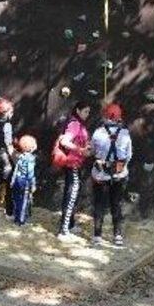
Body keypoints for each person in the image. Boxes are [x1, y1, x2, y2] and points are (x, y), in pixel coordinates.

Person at [90, 103, 132, 247]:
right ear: (119, 117)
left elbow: (94, 152)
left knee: (99, 204)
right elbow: (129, 155)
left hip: (100, 174)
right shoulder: (125, 134)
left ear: (105, 115)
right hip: (119, 174)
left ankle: (97, 236)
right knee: (117, 204)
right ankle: (117, 236)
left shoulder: (97, 132)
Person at [56, 101, 92, 240]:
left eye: (88, 112)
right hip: (72, 164)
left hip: (76, 163)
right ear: (78, 110)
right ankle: (63, 231)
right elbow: (65, 141)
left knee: (72, 194)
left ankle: (69, 225)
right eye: (85, 111)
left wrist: (85, 148)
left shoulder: (79, 124)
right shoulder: (75, 124)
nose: (87, 115)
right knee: (71, 196)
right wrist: (80, 150)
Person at [10, 135, 37, 226]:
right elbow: (30, 173)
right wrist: (32, 184)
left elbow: (16, 169)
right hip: (25, 182)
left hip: (17, 179)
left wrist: (13, 181)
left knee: (17, 200)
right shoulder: (30, 159)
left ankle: (16, 218)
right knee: (24, 201)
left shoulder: (20, 156)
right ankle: (21, 221)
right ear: (31, 147)